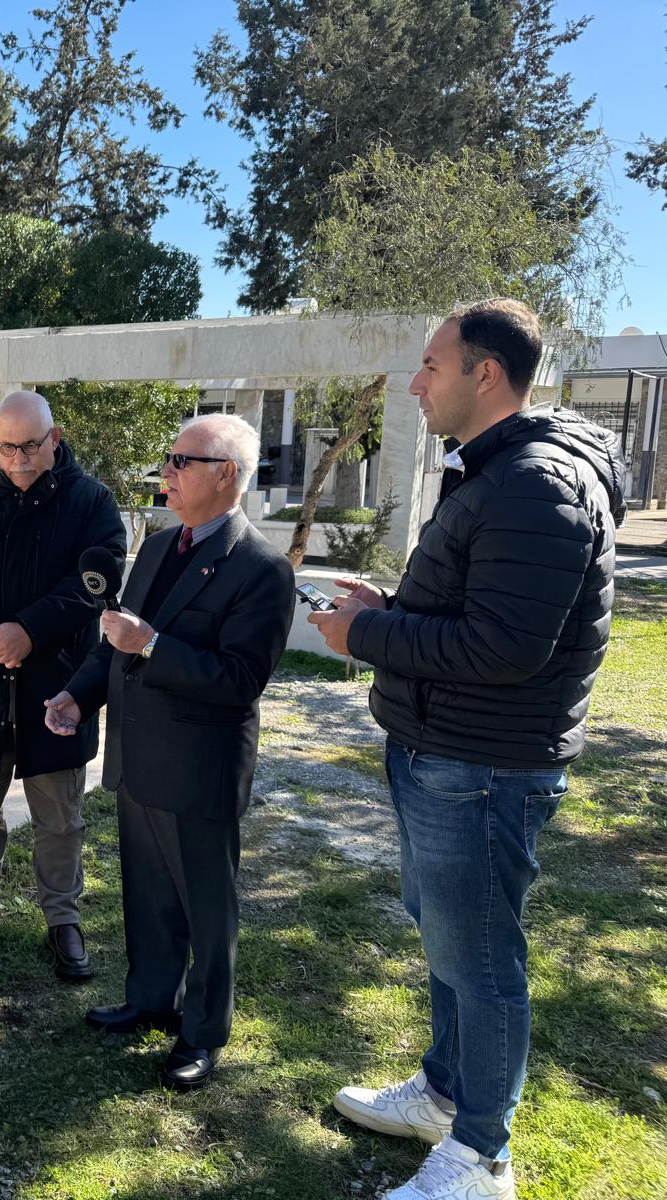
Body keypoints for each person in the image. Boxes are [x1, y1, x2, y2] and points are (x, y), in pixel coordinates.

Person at [309, 299, 624, 1200]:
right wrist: (391, 610)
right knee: (452, 943)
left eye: (431, 366)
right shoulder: (497, 470)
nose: (416, 384)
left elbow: (504, 649)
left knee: (481, 962)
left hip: (484, 767)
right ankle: (445, 1095)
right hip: (445, 751)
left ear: (486, 374)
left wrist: (367, 636)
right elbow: (477, 610)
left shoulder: (534, 482)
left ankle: (483, 1154)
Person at [46, 413, 294, 1090]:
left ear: (227, 475)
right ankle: (152, 998)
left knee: (207, 911)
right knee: (148, 893)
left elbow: (239, 679)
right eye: (169, 458)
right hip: (138, 758)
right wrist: (77, 696)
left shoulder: (262, 568)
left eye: (184, 461)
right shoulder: (158, 547)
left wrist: (153, 644)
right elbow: (116, 643)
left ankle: (203, 1031)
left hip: (199, 770)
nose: (168, 472)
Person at [0, 390, 125, 980]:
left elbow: (96, 582)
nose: (18, 460)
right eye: (7, 447)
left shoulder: (92, 502)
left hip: (58, 685)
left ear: (54, 439)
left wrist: (29, 631)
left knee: (59, 816)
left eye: (30, 446)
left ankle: (62, 917)